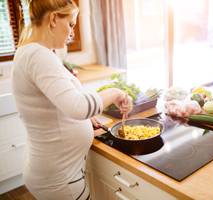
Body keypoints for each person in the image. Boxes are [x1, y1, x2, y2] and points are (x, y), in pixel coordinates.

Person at [12, 0, 132, 199]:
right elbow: (78, 106)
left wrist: (85, 120)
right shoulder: (37, 55)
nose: (72, 33)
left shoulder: (32, 52)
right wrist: (115, 92)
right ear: (53, 19)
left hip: (54, 172)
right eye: (71, 24)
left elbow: (56, 106)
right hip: (59, 179)